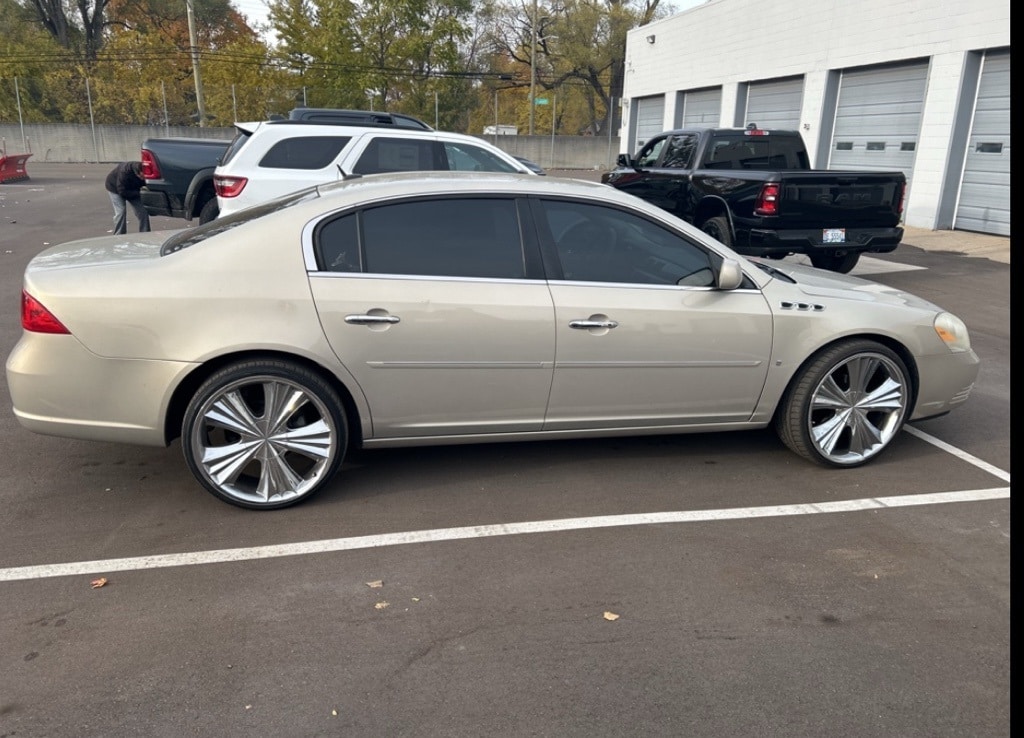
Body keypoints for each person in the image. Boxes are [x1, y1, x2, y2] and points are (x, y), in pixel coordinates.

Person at [104, 161, 151, 235]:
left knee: (143, 212)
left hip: (132, 189)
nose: (143, 179)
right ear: (137, 173)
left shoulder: (144, 171)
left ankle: (145, 233)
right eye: (142, 177)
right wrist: (139, 194)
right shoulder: (125, 172)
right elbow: (122, 191)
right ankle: (119, 235)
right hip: (114, 188)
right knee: (121, 212)